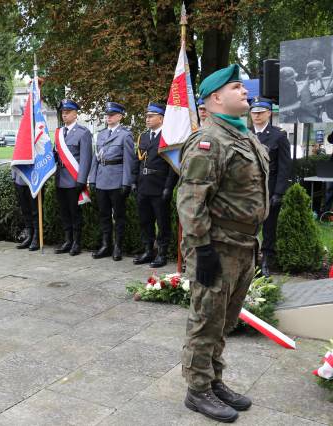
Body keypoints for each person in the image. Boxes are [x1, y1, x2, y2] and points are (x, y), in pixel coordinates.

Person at [177, 64, 269, 422]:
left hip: (243, 244)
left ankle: (214, 379)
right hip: (216, 244)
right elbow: (191, 199)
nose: (245, 91)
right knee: (206, 319)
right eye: (236, 87)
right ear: (215, 98)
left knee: (225, 319)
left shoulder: (244, 136)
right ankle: (197, 390)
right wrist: (201, 250)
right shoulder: (209, 140)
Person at [88, 101, 136, 261]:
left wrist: (126, 182)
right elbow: (96, 159)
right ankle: (105, 245)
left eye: (112, 114)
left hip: (117, 180)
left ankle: (118, 247)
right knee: (104, 215)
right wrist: (92, 178)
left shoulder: (125, 135)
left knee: (119, 216)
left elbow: (129, 161)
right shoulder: (101, 135)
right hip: (101, 179)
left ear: (120, 116)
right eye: (107, 115)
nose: (109, 117)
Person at [249, 97, 291, 277]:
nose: (256, 115)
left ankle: (266, 260)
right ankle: (250, 261)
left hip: (269, 189)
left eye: (260, 112)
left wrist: (279, 192)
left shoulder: (278, 136)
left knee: (268, 227)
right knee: (247, 226)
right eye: (253, 112)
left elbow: (284, 167)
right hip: (247, 190)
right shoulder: (244, 133)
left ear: (269, 113)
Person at [133, 102, 178, 268]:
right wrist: (134, 181)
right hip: (143, 185)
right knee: (145, 221)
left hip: (159, 186)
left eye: (151, 116)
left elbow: (172, 166)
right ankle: (148, 250)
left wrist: (168, 187)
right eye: (147, 116)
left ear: (161, 118)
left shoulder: (168, 137)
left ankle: (162, 253)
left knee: (162, 221)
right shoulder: (144, 136)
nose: (147, 119)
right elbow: (137, 161)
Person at [53, 99, 93, 256]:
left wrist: (82, 180)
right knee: (64, 212)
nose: (64, 115)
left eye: (68, 112)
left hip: (73, 179)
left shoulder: (83, 133)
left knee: (74, 213)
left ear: (75, 114)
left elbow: (86, 158)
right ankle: (67, 240)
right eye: (63, 112)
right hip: (60, 178)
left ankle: (77, 242)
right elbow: (55, 155)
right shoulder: (59, 132)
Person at [12, 168, 39, 251]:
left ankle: (36, 238)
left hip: (34, 179)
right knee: (25, 211)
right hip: (20, 179)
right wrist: (14, 176)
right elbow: (15, 157)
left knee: (35, 210)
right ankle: (29, 236)